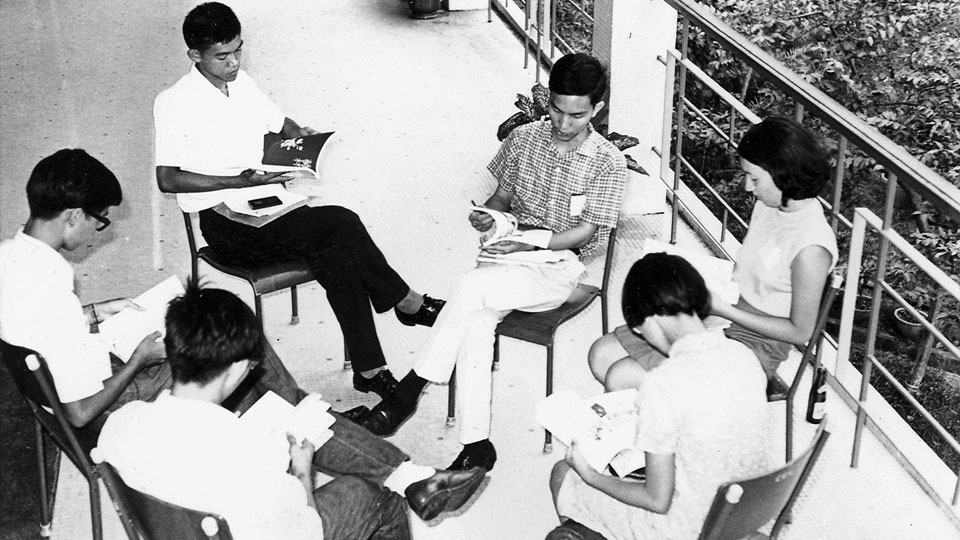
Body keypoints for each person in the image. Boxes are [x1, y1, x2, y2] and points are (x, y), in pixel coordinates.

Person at [154, 2, 443, 400]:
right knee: (340, 223)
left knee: (336, 249)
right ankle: (405, 303)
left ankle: (370, 368)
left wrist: (298, 136)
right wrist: (236, 180)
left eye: (238, 49)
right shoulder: (173, 102)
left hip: (268, 203)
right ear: (194, 55)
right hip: (225, 220)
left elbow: (280, 122)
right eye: (223, 56)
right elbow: (167, 178)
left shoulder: (243, 84)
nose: (234, 62)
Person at [354, 53, 627, 472]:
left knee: (468, 289)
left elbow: (584, 235)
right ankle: (476, 444)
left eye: (576, 115)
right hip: (503, 255)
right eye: (555, 108)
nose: (562, 122)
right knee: (476, 321)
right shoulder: (524, 139)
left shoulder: (608, 162)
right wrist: (489, 214)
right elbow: (501, 198)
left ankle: (405, 394)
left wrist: (528, 245)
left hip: (557, 266)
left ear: (597, 110)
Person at [96, 284, 487, 540]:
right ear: (235, 369)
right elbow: (306, 532)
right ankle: (406, 481)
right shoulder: (253, 455)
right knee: (375, 495)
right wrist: (302, 470)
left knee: (291, 411)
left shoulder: (120, 425)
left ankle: (413, 478)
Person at [0, 149, 301, 447]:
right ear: (74, 215)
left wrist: (91, 313)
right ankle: (298, 424)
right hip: (102, 408)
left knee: (221, 350)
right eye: (99, 220)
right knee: (231, 334)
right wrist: (138, 360)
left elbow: (34, 323)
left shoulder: (9, 255)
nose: (96, 232)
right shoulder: (55, 289)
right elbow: (80, 414)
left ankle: (262, 430)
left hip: (61, 389)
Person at [589, 116, 838, 390]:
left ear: (783, 175)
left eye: (754, 178)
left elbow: (801, 331)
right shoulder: (769, 207)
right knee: (601, 354)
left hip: (756, 345)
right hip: (722, 316)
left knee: (621, 377)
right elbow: (748, 273)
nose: (747, 187)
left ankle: (679, 423)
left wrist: (725, 310)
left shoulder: (811, 248)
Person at [546, 253, 769, 540]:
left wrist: (589, 474)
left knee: (563, 474)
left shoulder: (662, 384)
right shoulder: (744, 356)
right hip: (740, 517)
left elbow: (656, 501)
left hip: (684, 529)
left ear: (642, 324)